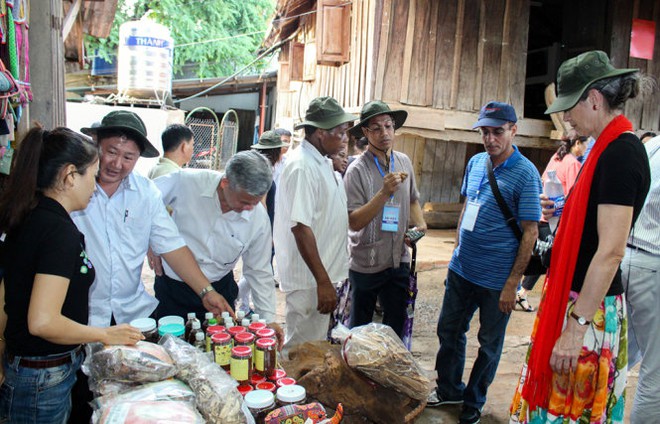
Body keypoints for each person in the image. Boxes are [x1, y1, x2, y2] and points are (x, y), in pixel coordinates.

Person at [509, 50, 651, 424]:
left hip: (587, 312)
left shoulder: (621, 153)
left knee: (571, 411)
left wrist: (575, 328)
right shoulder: (604, 149)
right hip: (577, 303)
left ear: (595, 99)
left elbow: (610, 251)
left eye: (571, 105)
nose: (566, 116)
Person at [0, 127, 143, 422]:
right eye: (92, 174)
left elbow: (6, 293)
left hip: (28, 368)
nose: (95, 184)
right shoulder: (59, 232)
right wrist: (105, 334)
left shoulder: (30, 214)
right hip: (41, 378)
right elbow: (42, 321)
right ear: (69, 176)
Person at [427, 101, 541, 424]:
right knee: (448, 330)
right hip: (462, 270)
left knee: (489, 345)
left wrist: (512, 283)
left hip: (497, 281)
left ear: (513, 131)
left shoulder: (526, 174)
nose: (490, 139)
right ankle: (449, 388)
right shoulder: (477, 163)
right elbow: (467, 208)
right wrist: (456, 251)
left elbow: (530, 233)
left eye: (498, 132)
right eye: (485, 132)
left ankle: (473, 402)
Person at [72, 110, 232, 327]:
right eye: (111, 152)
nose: (117, 164)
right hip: (79, 315)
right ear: (96, 143)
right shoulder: (72, 187)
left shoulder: (145, 193)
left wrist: (206, 291)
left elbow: (172, 246)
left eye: (128, 157)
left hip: (132, 314)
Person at [151, 151, 283, 343]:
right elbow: (144, 201)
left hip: (220, 293)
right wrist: (151, 241)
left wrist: (268, 320)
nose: (249, 209)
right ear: (225, 183)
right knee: (170, 349)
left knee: (218, 354)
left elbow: (259, 271)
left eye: (254, 203)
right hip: (173, 290)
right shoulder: (186, 182)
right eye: (244, 202)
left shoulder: (258, 219)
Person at [273, 96, 356, 357]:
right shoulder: (302, 166)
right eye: (341, 133)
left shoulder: (321, 161)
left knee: (314, 346)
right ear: (321, 133)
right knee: (302, 351)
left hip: (321, 275)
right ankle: (292, 394)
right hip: (310, 280)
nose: (345, 139)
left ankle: (301, 394)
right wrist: (322, 281)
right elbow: (300, 227)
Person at [343, 100, 426, 338]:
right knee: (359, 331)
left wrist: (420, 224)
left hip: (398, 259)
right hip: (365, 263)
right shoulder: (356, 170)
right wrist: (384, 192)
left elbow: (412, 200)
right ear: (366, 133)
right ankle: (357, 374)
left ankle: (385, 373)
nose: (384, 133)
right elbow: (354, 222)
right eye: (376, 128)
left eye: (388, 126)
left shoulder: (404, 162)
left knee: (394, 328)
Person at [516, 131, 586, 312]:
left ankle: (522, 291)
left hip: (542, 215)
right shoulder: (572, 164)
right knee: (550, 261)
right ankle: (525, 293)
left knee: (543, 258)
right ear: (577, 143)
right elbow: (573, 195)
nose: (586, 148)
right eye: (585, 144)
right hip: (554, 220)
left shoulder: (556, 158)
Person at [621, 133, 658, 423]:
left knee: (622, 358)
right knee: (656, 372)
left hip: (626, 254)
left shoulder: (650, 145)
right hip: (653, 260)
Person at [236, 131, 290, 314]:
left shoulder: (260, 166)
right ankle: (240, 301)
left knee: (254, 268)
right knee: (258, 269)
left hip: (261, 224)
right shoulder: (264, 170)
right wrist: (268, 233)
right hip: (262, 226)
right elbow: (262, 203)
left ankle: (242, 302)